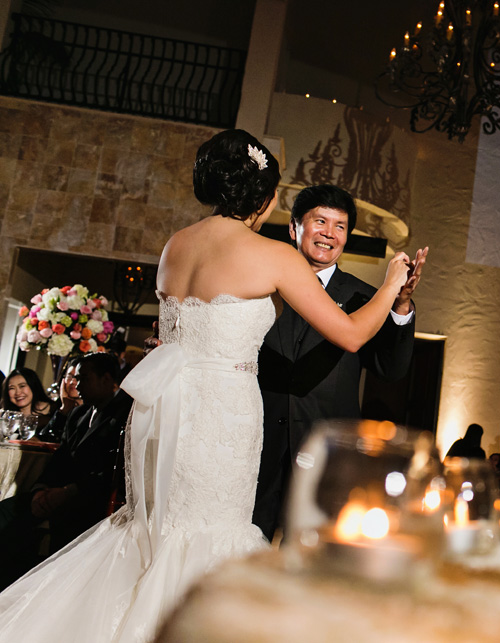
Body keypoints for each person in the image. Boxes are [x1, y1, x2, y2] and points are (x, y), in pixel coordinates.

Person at [0, 129, 411, 641]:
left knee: (160, 529)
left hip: (164, 409)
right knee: (209, 534)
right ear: (263, 197)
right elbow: (350, 334)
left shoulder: (178, 244)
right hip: (223, 416)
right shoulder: (271, 255)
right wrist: (393, 282)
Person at [253, 184, 426, 541]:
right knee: (243, 549)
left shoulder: (366, 297)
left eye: (340, 226)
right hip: (256, 443)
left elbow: (390, 369)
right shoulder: (261, 286)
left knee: (308, 559)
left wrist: (400, 304)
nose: (329, 234)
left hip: (326, 454)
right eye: (320, 221)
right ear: (294, 228)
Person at [0, 353, 134, 590]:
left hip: (90, 500)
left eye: (83, 378)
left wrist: (68, 491)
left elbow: (114, 470)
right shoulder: (78, 413)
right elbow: (60, 460)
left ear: (106, 379)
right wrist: (41, 489)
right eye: (74, 378)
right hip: (58, 494)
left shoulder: (125, 414)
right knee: (7, 513)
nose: (77, 385)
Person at [2, 368, 54, 432]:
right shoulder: (4, 415)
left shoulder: (54, 411)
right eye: (12, 388)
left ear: (33, 386)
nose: (18, 393)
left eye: (22, 386)